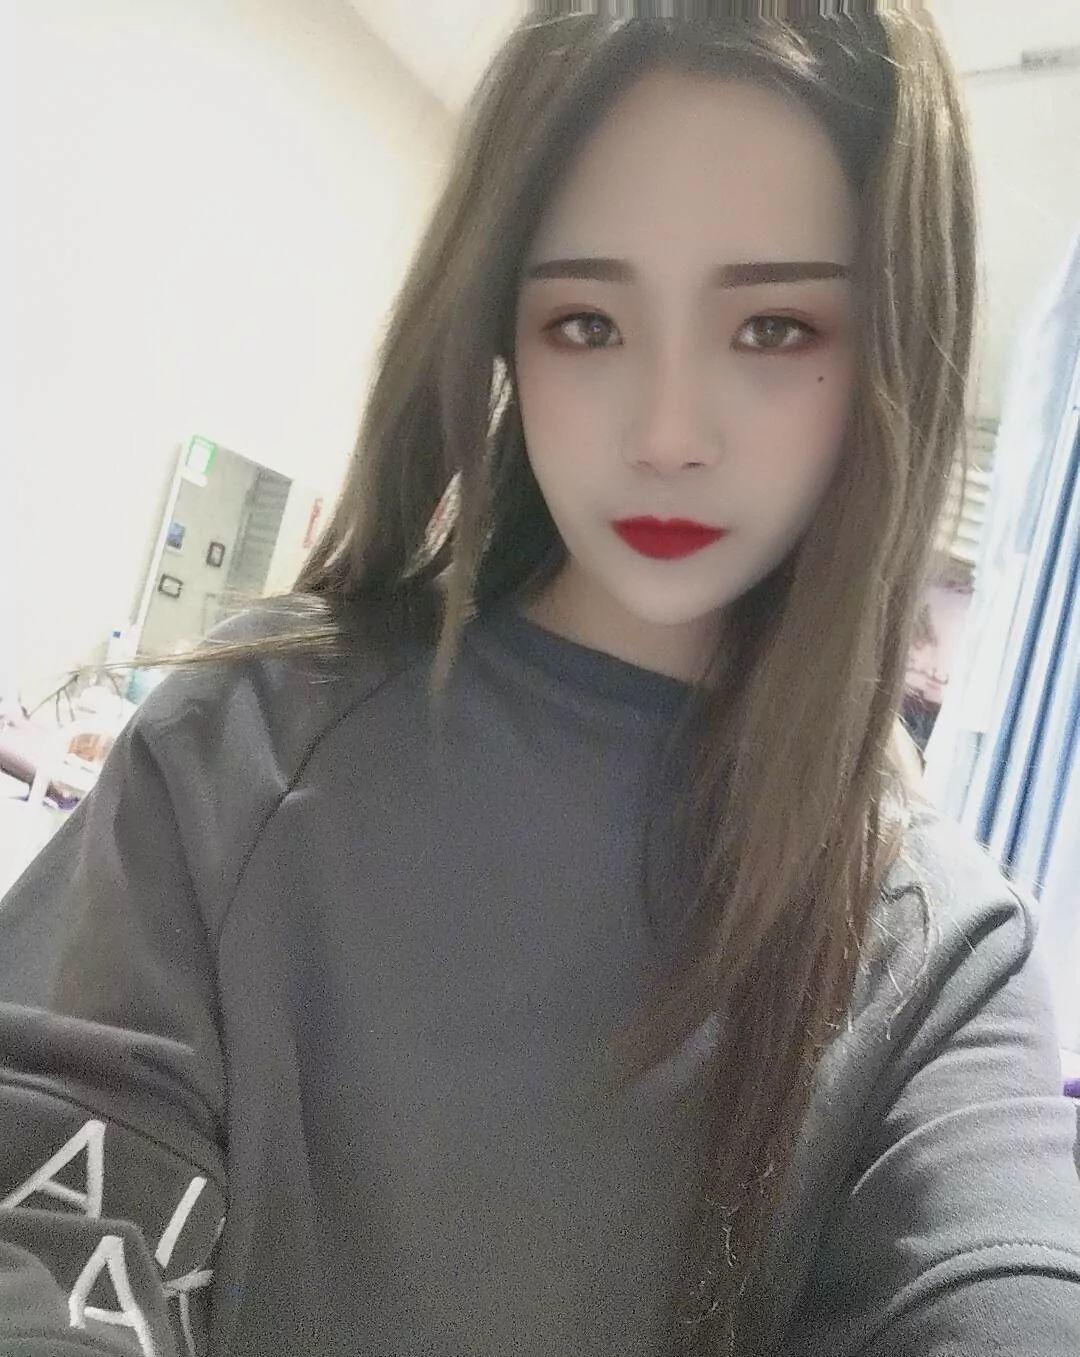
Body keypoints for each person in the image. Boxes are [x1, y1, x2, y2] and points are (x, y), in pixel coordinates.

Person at [2, 4, 1079, 1355]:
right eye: (588, 321)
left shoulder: (937, 952)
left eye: (771, 328)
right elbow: (50, 1222)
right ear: (505, 330)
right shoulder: (248, 742)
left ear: (888, 355)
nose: (668, 432)